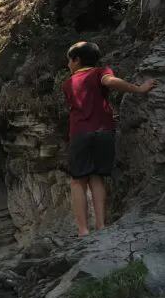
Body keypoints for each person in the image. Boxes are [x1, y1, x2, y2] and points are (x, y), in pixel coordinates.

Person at [62, 41, 156, 237]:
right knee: (97, 177)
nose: (68, 65)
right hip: (105, 131)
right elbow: (110, 82)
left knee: (77, 181)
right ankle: (101, 225)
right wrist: (139, 88)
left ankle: (83, 230)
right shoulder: (100, 72)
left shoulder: (68, 83)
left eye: (69, 61)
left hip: (80, 132)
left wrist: (138, 89)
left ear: (77, 60)